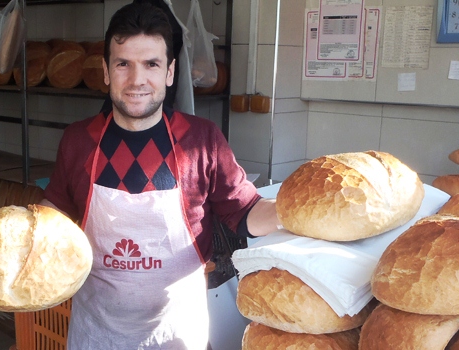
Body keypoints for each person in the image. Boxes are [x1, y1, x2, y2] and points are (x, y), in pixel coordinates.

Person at [40, 2, 280, 349]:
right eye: (124, 64)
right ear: (106, 71)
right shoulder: (79, 141)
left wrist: (294, 213)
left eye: (151, 64)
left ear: (169, 72)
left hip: (176, 335)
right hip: (96, 334)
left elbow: (243, 211)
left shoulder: (201, 139)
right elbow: (56, 212)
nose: (137, 80)